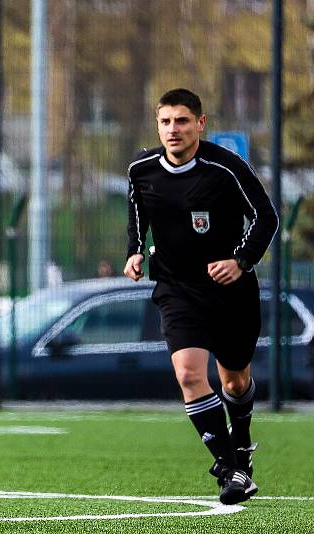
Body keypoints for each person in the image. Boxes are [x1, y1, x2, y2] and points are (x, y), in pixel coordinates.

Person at [124, 88, 278, 505]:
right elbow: (137, 212)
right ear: (157, 125)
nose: (173, 130)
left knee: (234, 378)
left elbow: (266, 217)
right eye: (165, 122)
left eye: (182, 121)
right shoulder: (141, 169)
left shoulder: (225, 168)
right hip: (176, 288)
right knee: (190, 375)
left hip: (231, 291)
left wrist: (241, 261)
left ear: (200, 123)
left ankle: (242, 445)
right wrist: (134, 251)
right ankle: (231, 469)